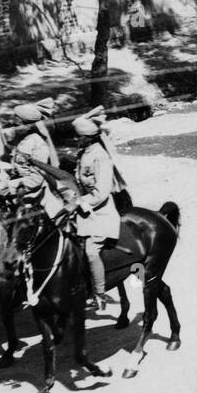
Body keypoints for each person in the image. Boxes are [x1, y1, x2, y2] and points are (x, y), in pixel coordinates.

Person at [63, 108, 122, 311]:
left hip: (101, 213)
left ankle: (99, 293)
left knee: (90, 251)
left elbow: (102, 192)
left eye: (78, 137)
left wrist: (78, 203)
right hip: (84, 208)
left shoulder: (100, 157)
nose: (75, 140)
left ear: (88, 138)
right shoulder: (85, 153)